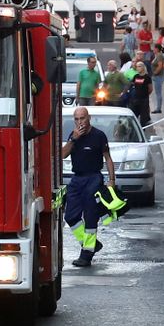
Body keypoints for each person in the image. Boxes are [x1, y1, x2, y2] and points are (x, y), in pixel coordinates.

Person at [61, 106, 116, 268]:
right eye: (76, 119)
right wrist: (73, 139)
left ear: (89, 118)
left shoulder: (99, 135)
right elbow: (62, 155)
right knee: (70, 216)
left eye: (82, 118)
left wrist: (112, 180)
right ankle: (92, 244)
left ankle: (86, 255)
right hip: (77, 178)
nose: (80, 122)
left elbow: (108, 158)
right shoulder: (73, 135)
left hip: (93, 178)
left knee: (90, 216)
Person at [124, 60, 152, 127]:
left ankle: (143, 129)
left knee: (143, 117)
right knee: (134, 115)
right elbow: (130, 84)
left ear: (143, 67)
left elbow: (150, 89)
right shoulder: (136, 76)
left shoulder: (147, 77)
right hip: (135, 99)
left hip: (144, 100)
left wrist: (145, 94)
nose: (138, 68)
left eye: (139, 66)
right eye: (137, 66)